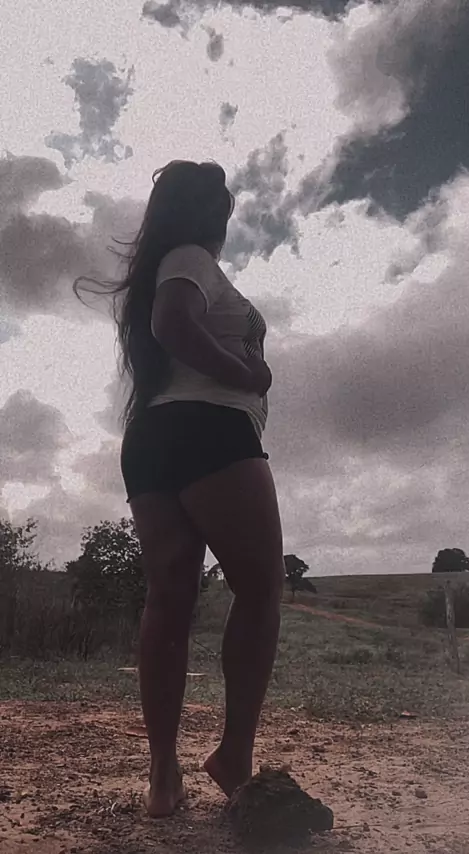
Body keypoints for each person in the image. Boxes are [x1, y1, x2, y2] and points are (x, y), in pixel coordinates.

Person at [73, 159, 285, 818]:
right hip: (212, 432)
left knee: (168, 599)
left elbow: (163, 327)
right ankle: (234, 754)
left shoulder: (168, 263)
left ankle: (164, 776)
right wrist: (245, 374)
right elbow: (174, 323)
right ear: (209, 216)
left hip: (152, 442)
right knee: (261, 588)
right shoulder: (192, 259)